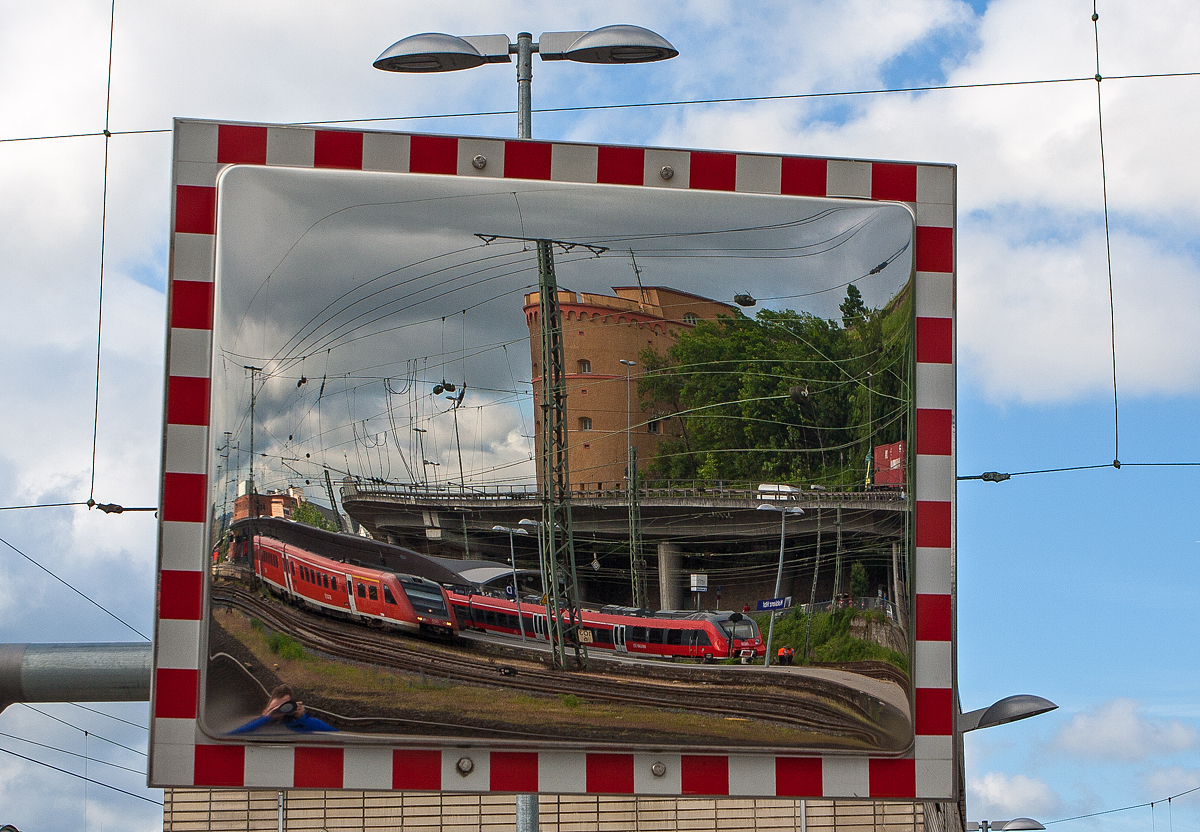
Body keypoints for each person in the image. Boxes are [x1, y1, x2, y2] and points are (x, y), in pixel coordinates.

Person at [230, 685, 337, 734]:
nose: (278, 711)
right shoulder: (255, 725)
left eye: (283, 707)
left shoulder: (298, 726)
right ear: (264, 711)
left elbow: (332, 733)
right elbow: (233, 735)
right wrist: (266, 719)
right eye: (273, 708)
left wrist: (302, 718)